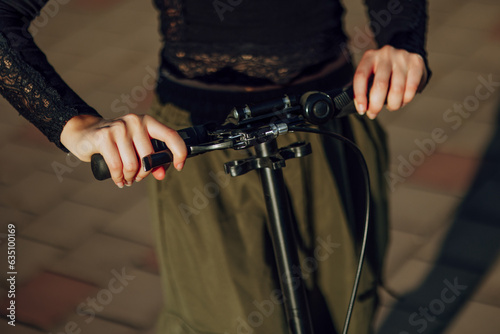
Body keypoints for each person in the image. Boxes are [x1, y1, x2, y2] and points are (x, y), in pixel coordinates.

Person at [0, 0, 430, 333]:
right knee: (225, 320)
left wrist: (401, 37)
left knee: (348, 308)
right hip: (200, 143)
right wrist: (73, 123)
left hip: (330, 120)